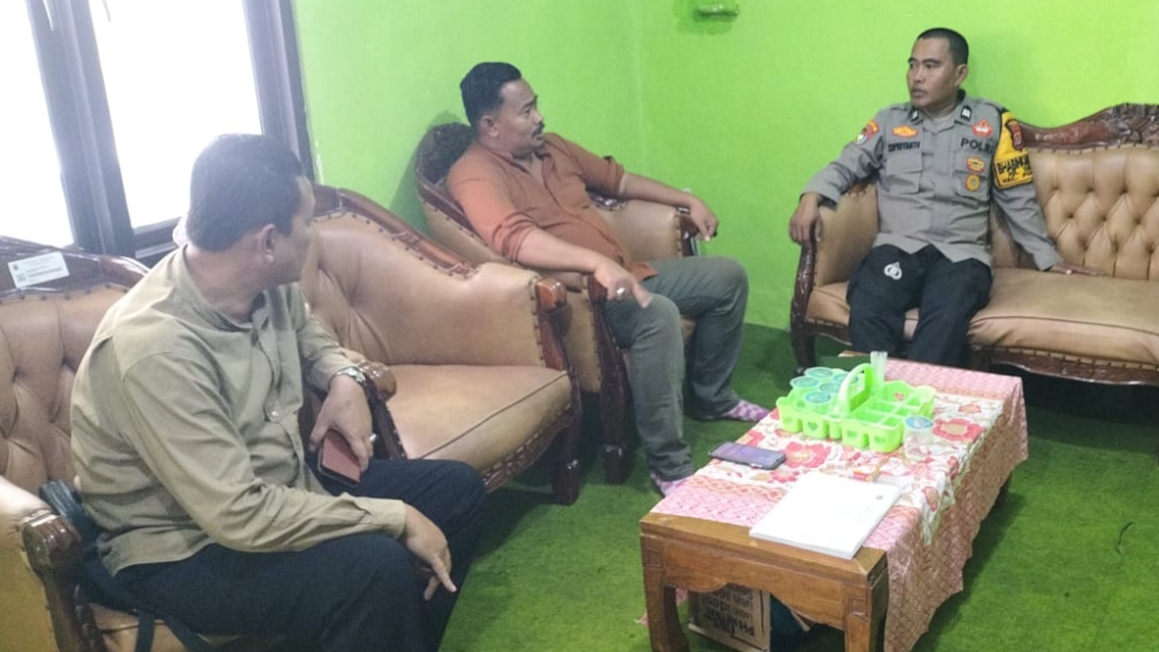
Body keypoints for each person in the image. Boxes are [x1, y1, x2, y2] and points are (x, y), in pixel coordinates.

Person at [70, 134, 485, 652]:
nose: (314, 233)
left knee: (457, 491)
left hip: (283, 486)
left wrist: (346, 378)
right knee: (372, 566)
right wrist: (394, 517)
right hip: (182, 549)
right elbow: (238, 515)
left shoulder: (266, 283)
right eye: (307, 221)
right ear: (266, 242)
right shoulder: (155, 349)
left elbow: (316, 344)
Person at [447, 62, 769, 496]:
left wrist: (687, 200)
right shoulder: (474, 173)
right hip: (582, 299)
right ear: (490, 125)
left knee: (727, 276)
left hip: (629, 273)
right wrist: (594, 264)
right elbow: (515, 240)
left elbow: (619, 180)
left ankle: (712, 397)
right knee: (658, 313)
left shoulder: (554, 148)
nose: (540, 117)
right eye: (526, 111)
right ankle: (670, 466)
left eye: (536, 105)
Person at [789, 28, 1099, 367]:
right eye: (912, 65)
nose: (917, 77)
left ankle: (920, 393)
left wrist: (1048, 258)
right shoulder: (889, 121)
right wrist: (811, 197)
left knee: (947, 317)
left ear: (959, 74)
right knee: (869, 305)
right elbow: (846, 164)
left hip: (961, 255)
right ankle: (879, 390)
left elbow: (1017, 195)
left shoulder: (993, 122)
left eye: (931, 66)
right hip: (899, 247)